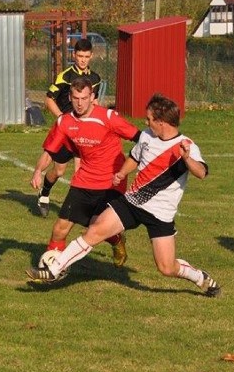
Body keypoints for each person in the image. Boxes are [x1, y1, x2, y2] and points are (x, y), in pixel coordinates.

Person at [27, 93, 221, 298]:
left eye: (149, 119)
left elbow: (201, 173)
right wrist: (121, 173)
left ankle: (199, 277)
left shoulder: (185, 145)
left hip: (160, 214)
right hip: (131, 202)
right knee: (94, 231)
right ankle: (53, 271)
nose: (145, 122)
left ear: (162, 122)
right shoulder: (147, 136)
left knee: (166, 268)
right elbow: (135, 157)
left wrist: (187, 158)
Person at [30, 77, 140, 266]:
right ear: (70, 97)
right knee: (59, 229)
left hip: (111, 181)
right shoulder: (64, 122)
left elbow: (140, 138)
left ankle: (117, 240)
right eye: (75, 98)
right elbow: (50, 151)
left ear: (92, 97)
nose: (80, 103)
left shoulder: (108, 118)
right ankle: (50, 270)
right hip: (84, 179)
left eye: (84, 98)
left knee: (96, 227)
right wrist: (38, 171)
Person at [36, 37, 102, 216]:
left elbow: (94, 102)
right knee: (58, 171)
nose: (82, 60)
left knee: (82, 169)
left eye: (86, 56)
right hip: (66, 130)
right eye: (80, 56)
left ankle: (80, 207)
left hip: (84, 130)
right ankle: (45, 192)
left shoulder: (95, 78)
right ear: (74, 55)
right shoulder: (65, 76)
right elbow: (49, 98)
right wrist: (60, 118)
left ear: (91, 56)